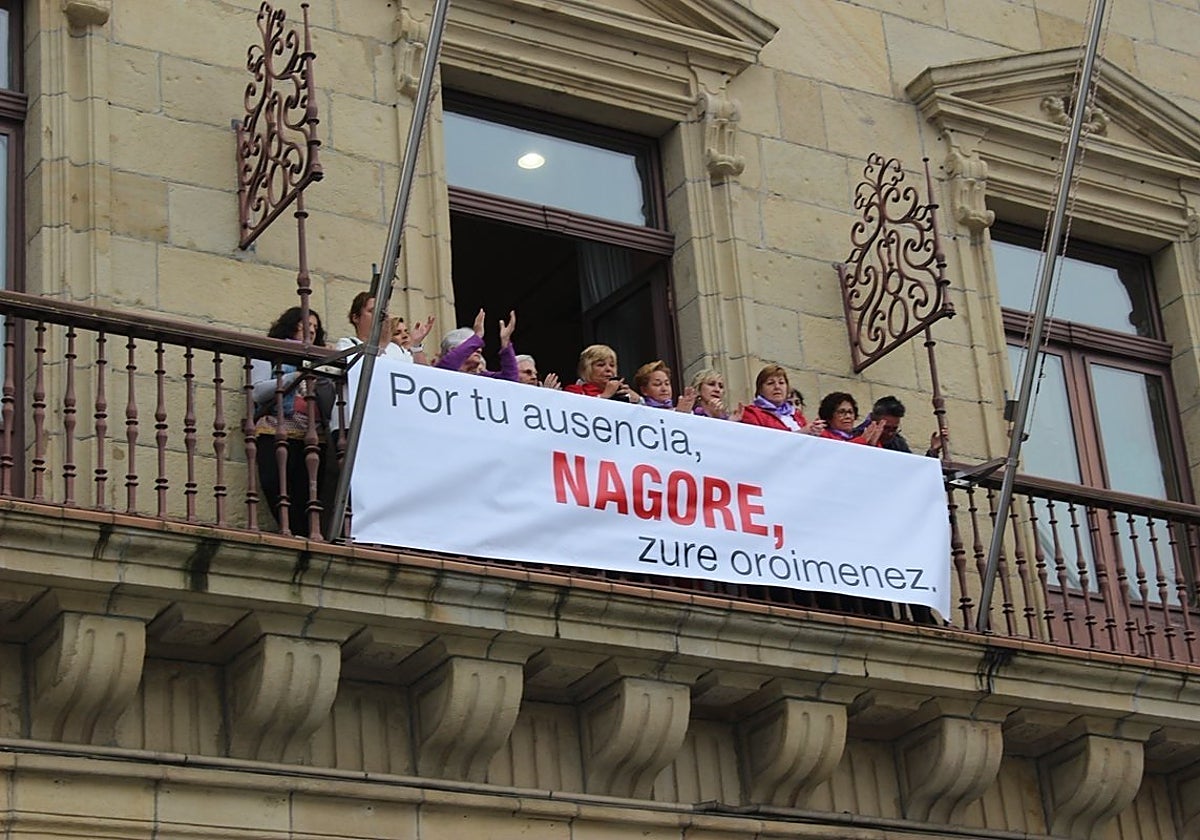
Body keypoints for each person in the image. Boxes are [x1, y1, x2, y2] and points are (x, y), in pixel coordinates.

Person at [251, 306, 333, 538]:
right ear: (291, 324)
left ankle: (305, 534)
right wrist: (294, 377)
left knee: (308, 490)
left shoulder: (319, 361)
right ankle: (290, 529)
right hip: (278, 429)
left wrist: (324, 374)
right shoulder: (269, 351)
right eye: (306, 324)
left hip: (313, 435)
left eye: (315, 327)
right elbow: (257, 391)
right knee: (275, 481)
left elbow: (329, 403)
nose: (311, 330)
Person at [334, 292, 432, 365]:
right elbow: (359, 371)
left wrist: (416, 346)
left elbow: (422, 375)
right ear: (355, 318)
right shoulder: (347, 345)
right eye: (373, 311)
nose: (380, 315)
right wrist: (382, 343)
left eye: (383, 311)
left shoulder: (396, 349)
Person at [436, 308, 519, 381]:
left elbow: (510, 380)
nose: (479, 349)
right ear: (453, 350)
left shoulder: (481, 377)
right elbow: (446, 366)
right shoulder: (441, 372)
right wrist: (478, 336)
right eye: (471, 345)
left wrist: (506, 344)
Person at [740, 365, 824, 434]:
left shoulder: (796, 415)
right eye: (770, 383)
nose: (777, 387)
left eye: (781, 383)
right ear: (760, 390)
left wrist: (814, 431)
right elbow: (760, 442)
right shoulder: (751, 413)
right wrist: (802, 433)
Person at [564, 344, 641, 403]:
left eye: (612, 365)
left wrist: (638, 401)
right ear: (586, 368)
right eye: (601, 365)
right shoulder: (574, 390)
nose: (608, 369)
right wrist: (605, 395)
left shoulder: (622, 393)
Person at [817, 392, 881, 445]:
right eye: (841, 412)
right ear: (828, 416)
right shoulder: (821, 436)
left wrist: (872, 445)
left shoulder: (859, 436)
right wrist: (861, 441)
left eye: (850, 412)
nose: (848, 416)